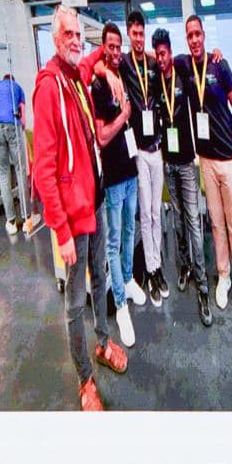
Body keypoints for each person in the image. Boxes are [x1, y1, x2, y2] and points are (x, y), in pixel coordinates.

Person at [31, 6, 127, 411]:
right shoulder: (49, 87)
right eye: (67, 34)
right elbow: (43, 169)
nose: (74, 40)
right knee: (74, 303)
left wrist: (105, 69)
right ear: (55, 39)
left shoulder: (76, 76)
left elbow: (91, 58)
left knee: (100, 276)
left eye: (77, 34)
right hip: (73, 219)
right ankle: (85, 379)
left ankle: (103, 342)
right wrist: (61, 229)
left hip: (96, 201)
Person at [180, 15, 232, 332]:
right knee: (215, 223)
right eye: (189, 35)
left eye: (197, 34)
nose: (194, 39)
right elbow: (160, 60)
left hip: (228, 158)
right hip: (206, 161)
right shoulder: (186, 67)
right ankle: (224, 275)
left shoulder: (219, 65)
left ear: (204, 35)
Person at [100, 11, 168, 305]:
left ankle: (157, 265)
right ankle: (150, 270)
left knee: (156, 213)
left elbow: (170, 62)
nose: (139, 39)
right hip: (138, 152)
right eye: (135, 34)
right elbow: (98, 63)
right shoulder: (123, 63)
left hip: (158, 149)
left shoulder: (152, 63)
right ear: (129, 34)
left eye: (142, 33)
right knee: (145, 215)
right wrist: (104, 73)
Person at [153, 28, 212, 326]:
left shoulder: (184, 74)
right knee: (177, 222)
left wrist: (216, 55)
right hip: (168, 163)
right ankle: (184, 267)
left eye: (164, 53)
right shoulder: (154, 79)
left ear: (170, 51)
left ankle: (203, 285)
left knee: (194, 223)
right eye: (157, 55)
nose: (161, 59)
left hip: (187, 164)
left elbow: (200, 62)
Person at [91, 22, 140, 348]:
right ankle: (120, 304)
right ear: (103, 48)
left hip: (131, 171)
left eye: (118, 46)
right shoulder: (98, 85)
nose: (116, 51)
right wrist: (123, 116)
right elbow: (102, 136)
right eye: (110, 46)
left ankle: (130, 279)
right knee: (114, 241)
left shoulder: (123, 75)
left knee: (129, 233)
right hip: (113, 179)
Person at [0, 73, 27, 235]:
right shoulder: (17, 87)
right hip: (11, 125)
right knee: (20, 170)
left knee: (3, 174)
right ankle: (26, 219)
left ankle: (10, 222)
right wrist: (21, 130)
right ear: (12, 80)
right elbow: (23, 118)